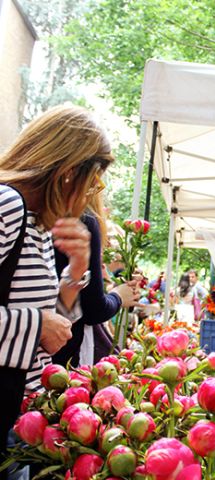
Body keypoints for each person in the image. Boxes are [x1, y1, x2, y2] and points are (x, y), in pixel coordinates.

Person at [0, 105, 111, 470]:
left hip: (17, 413)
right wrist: (36, 324)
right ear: (67, 173)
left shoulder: (41, 224)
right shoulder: (7, 207)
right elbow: (38, 325)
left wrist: (76, 273)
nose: (93, 194)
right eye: (93, 181)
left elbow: (53, 333)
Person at [53, 199, 140, 367]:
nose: (109, 245)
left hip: (52, 351)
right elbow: (94, 309)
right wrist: (118, 297)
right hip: (60, 356)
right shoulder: (84, 218)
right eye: (109, 241)